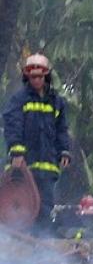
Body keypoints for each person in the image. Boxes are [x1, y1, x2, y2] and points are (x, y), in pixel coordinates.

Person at [3, 53, 71, 232]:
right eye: (32, 76)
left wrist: (64, 151)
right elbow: (12, 125)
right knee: (24, 211)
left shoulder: (57, 102)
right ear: (27, 76)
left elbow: (62, 130)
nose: (36, 80)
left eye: (39, 76)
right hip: (26, 167)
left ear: (46, 75)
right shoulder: (19, 100)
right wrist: (17, 152)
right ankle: (23, 251)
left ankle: (42, 252)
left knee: (45, 209)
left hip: (48, 167)